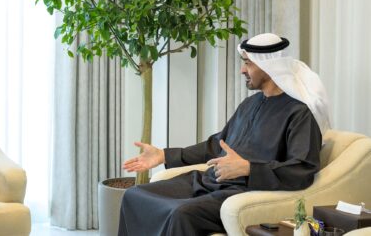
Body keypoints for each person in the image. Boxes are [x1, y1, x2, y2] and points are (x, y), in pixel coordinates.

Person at [118, 33, 331, 235]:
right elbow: (216, 145)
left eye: (248, 63)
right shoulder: (250, 103)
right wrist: (164, 155)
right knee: (134, 195)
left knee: (181, 214)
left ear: (269, 66)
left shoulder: (300, 113)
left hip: (242, 191)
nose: (242, 70)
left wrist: (249, 168)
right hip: (209, 182)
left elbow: (302, 170)